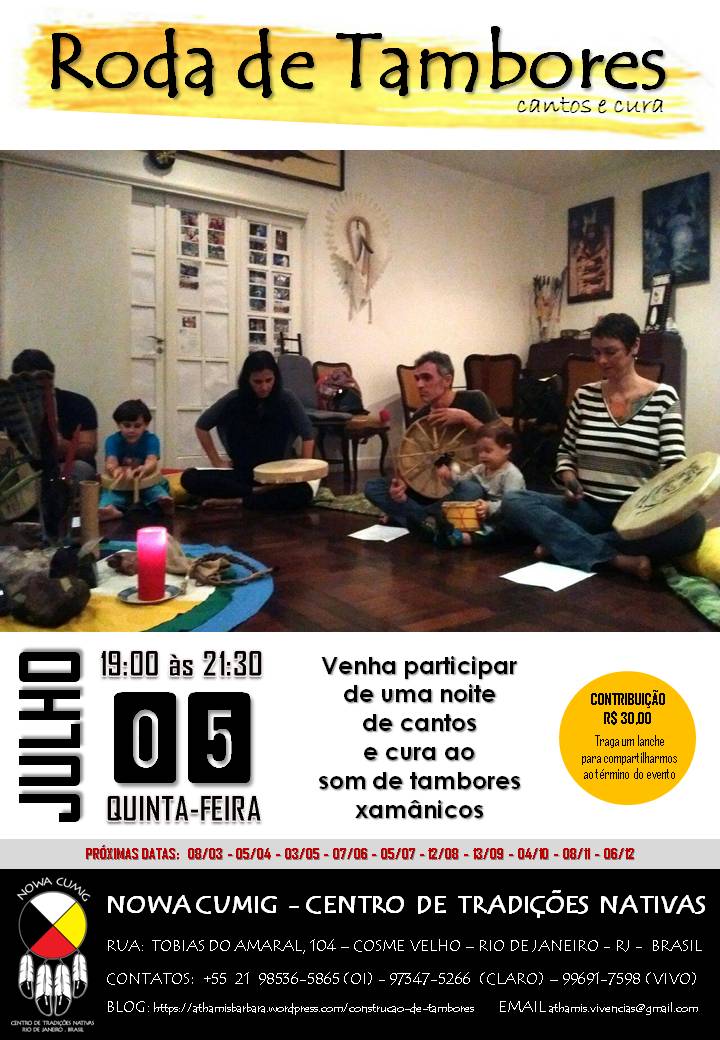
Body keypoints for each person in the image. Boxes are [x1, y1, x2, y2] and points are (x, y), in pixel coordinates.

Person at [501, 313, 706, 580]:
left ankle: (565, 545)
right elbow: (565, 452)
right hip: (589, 507)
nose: (601, 361)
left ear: (634, 346)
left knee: (692, 526)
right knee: (514, 501)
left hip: (638, 514)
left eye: (611, 352)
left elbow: (674, 465)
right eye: (596, 352)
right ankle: (615, 559)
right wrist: (569, 477)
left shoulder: (663, 397)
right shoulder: (584, 396)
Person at [364, 350, 499, 527]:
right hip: (428, 491)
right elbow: (410, 460)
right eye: (417, 378)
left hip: (462, 485)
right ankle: (430, 519)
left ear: (447, 380)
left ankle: (415, 517)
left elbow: (499, 442)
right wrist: (401, 483)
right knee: (373, 487)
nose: (419, 385)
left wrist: (466, 418)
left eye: (426, 378)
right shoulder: (421, 415)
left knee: (471, 490)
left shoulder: (474, 400)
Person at [180, 350, 316, 511]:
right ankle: (257, 493)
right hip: (243, 473)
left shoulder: (287, 398)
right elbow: (202, 426)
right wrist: (217, 461)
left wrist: (303, 471)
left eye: (269, 380)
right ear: (247, 380)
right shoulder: (234, 399)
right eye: (257, 382)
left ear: (276, 377)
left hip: (277, 476)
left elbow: (308, 435)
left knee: (304, 492)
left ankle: (238, 501)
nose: (264, 387)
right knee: (189, 478)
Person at [410, 421, 526, 548]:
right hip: (478, 517)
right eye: (479, 451)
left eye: (488, 451)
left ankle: (456, 537)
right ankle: (428, 519)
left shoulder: (512, 474)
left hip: (499, 520)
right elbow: (462, 484)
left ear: (506, 449)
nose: (482, 455)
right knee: (470, 488)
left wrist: (489, 507)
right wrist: (450, 477)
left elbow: (513, 504)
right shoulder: (480, 469)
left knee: (499, 533)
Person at [11, 349, 98, 479]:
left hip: (63, 468)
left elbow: (88, 450)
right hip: (21, 472)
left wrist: (63, 446)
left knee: (81, 468)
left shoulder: (78, 404)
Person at [99, 400, 173, 521]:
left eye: (137, 426)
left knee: (156, 491)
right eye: (127, 425)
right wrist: (115, 471)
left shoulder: (151, 439)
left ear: (146, 425)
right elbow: (111, 461)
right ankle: (110, 510)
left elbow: (152, 460)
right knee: (109, 495)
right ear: (118, 424)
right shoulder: (112, 440)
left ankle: (163, 504)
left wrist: (145, 468)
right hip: (121, 482)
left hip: (145, 481)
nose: (131, 430)